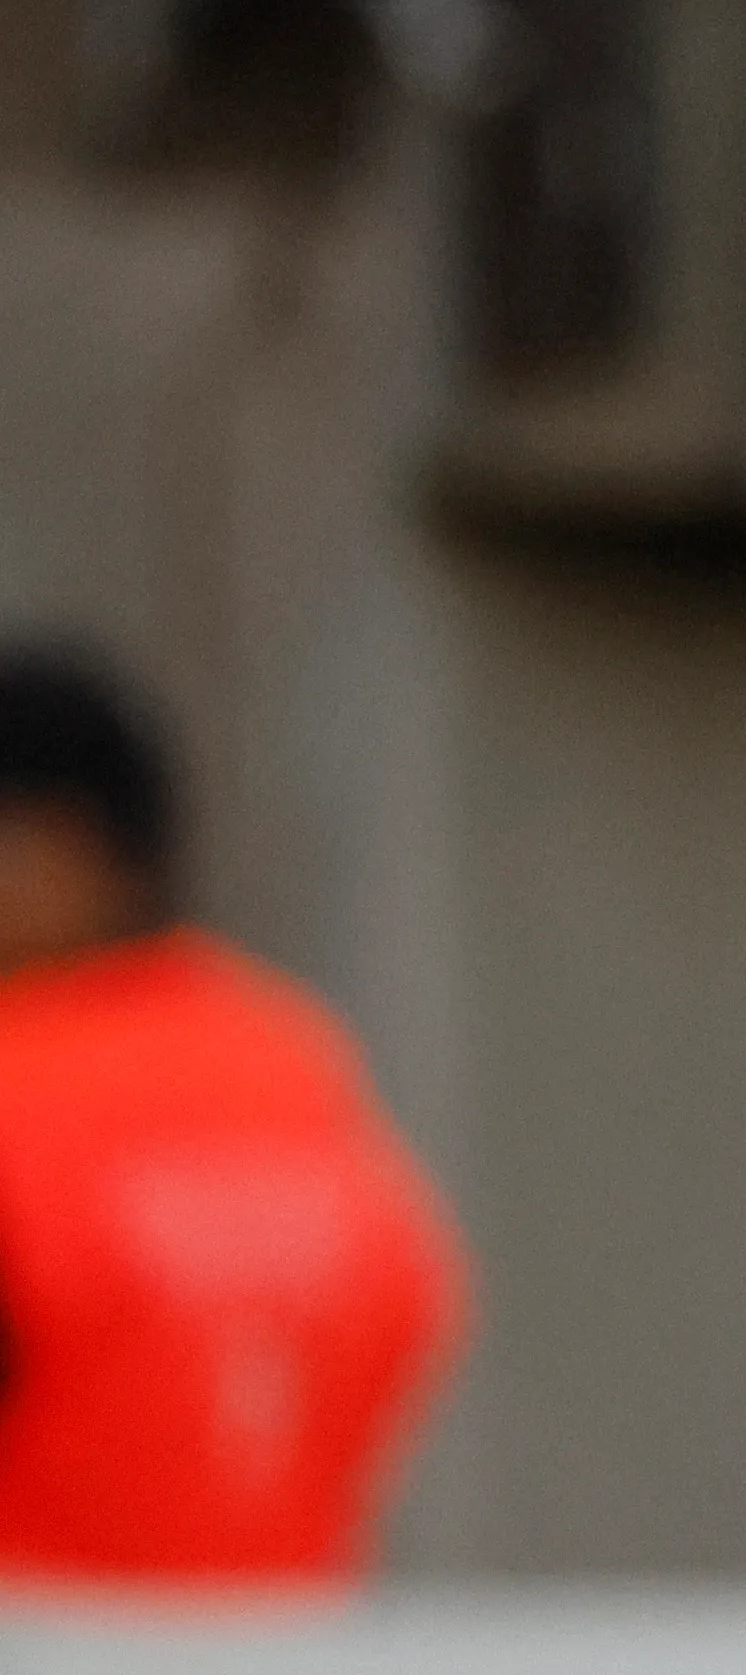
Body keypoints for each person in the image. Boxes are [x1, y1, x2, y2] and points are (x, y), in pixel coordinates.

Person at [0, 648, 464, 1586]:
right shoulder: (282, 1053)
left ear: (66, 844)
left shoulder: (23, 1071)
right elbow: (413, 1310)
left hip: (42, 1664)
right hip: (279, 1664)